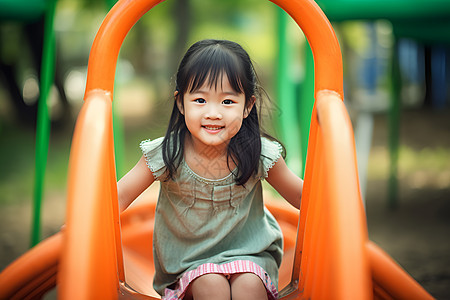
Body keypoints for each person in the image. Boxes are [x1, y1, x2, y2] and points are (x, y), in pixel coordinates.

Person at [117, 39, 303, 300]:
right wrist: (84, 222)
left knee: (248, 286)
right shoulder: (168, 153)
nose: (213, 113)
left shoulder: (258, 153)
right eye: (201, 100)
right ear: (181, 103)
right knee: (211, 284)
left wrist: (337, 213)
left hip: (250, 254)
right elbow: (119, 196)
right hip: (188, 263)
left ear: (248, 106)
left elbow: (302, 196)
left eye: (227, 102)